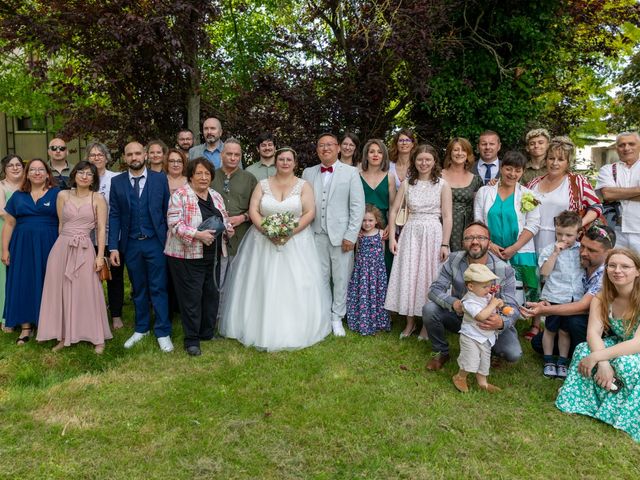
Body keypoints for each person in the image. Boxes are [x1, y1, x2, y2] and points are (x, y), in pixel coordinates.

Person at [219, 147, 331, 350]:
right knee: (260, 282)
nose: (285, 163)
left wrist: (289, 232)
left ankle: (296, 327)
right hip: (262, 241)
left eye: (289, 159)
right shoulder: (262, 185)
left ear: (295, 163)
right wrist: (268, 231)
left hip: (296, 242)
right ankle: (256, 326)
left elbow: (309, 212)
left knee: (296, 284)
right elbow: (254, 209)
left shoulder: (304, 186)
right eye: (281, 159)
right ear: (276, 162)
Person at [556, 247, 640, 443]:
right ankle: (585, 402)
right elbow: (593, 332)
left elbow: (637, 343)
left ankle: (621, 414)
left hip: (635, 346)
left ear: (637, 271)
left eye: (625, 266)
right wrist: (602, 362)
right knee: (583, 350)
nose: (617, 270)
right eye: (612, 265)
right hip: (620, 343)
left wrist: (598, 356)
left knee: (627, 364)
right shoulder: (602, 297)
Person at [424, 221, 522, 371]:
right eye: (469, 238)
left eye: (481, 238)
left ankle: (492, 351)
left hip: (489, 322)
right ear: (463, 243)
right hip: (462, 317)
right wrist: (454, 303)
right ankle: (441, 352)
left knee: (513, 353)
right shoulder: (454, 260)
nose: (475, 241)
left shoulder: (505, 270)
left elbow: (513, 308)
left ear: (489, 243)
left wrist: (501, 323)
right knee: (430, 309)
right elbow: (434, 290)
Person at [36, 161, 112, 353]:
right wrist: (60, 248)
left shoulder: (98, 198)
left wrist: (100, 256)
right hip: (62, 248)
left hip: (85, 248)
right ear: (75, 175)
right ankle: (63, 335)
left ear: (94, 178)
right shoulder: (62, 195)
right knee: (61, 291)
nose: (84, 176)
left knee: (88, 291)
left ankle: (97, 337)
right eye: (81, 172)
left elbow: (102, 229)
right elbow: (61, 224)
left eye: (89, 174)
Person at [165, 158, 234, 356]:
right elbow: (174, 223)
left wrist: (228, 229)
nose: (203, 177)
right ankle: (192, 340)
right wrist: (198, 235)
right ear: (191, 176)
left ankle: (207, 332)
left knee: (211, 295)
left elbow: (224, 218)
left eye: (207, 174)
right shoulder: (180, 195)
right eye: (199, 173)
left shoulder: (215, 196)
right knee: (191, 298)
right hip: (187, 256)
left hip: (213, 256)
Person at [108, 141, 173, 352]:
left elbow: (167, 211)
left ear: (145, 155)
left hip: (156, 242)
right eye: (130, 154)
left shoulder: (160, 179)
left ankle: (163, 331)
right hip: (132, 244)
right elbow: (115, 215)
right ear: (125, 158)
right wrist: (113, 247)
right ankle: (142, 328)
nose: (134, 157)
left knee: (159, 287)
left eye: (138, 153)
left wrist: (168, 239)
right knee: (138, 288)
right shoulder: (117, 182)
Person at [385, 144, 452, 340]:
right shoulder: (407, 183)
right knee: (409, 275)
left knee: (428, 277)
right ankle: (409, 323)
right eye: (420, 159)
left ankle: (426, 324)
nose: (423, 163)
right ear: (414, 161)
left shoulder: (442, 184)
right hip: (411, 233)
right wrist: (392, 238)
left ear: (434, 162)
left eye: (427, 160)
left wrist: (445, 243)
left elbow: (447, 216)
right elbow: (394, 210)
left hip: (433, 233)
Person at [302, 133, 365, 336]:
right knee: (318, 278)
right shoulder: (308, 172)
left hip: (341, 236)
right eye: (321, 145)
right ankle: (322, 315)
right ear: (317, 150)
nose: (325, 148)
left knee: (341, 278)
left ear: (338, 148)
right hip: (315, 234)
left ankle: (337, 317)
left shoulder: (351, 172)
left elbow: (357, 206)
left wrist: (351, 235)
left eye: (329, 145)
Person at [523, 223, 616, 357]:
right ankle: (572, 351)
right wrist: (548, 300)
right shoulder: (581, 262)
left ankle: (585, 356)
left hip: (603, 328)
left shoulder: (607, 273)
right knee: (538, 343)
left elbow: (582, 307)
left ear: (608, 253)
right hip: (578, 321)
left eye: (592, 250)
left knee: (575, 320)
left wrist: (544, 310)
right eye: (582, 246)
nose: (583, 253)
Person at [1, 159, 60, 344]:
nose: (36, 173)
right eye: (32, 170)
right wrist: (4, 250)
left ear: (47, 173)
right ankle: (26, 328)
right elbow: (9, 223)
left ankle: (48, 324)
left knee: (48, 282)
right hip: (22, 245)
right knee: (24, 281)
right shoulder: (18, 196)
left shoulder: (58, 194)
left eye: (41, 169)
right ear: (27, 174)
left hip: (50, 244)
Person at [474, 150, 541, 308]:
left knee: (526, 290)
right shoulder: (485, 192)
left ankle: (527, 322)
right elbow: (478, 222)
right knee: (491, 288)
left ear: (523, 172)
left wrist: (514, 248)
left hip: (521, 250)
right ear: (501, 168)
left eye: (518, 170)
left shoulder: (529, 195)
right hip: (491, 249)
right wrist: (489, 245)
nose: (512, 174)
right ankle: (491, 315)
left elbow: (533, 225)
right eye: (508, 169)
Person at [526, 136, 601, 253]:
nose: (555, 163)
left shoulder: (577, 181)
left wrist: (578, 225)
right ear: (545, 160)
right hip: (532, 242)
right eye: (551, 158)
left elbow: (596, 207)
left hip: (564, 245)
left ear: (568, 162)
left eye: (560, 159)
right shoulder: (533, 183)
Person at [536, 211, 584, 378]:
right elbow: (545, 272)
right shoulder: (549, 249)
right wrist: (555, 254)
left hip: (573, 299)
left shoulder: (581, 251)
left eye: (569, 235)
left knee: (565, 331)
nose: (563, 239)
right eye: (559, 234)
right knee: (550, 329)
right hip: (554, 296)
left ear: (578, 234)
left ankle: (562, 361)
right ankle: (549, 359)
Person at [452, 264, 505, 393]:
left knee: (484, 361)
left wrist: (498, 304)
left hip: (485, 336)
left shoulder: (484, 296)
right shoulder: (469, 301)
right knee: (470, 359)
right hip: (471, 336)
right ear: (471, 286)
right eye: (485, 287)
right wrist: (492, 305)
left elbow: (491, 306)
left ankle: (483, 383)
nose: (489, 289)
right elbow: (481, 316)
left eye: (489, 286)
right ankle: (460, 377)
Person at [346, 204, 390, 335]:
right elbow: (357, 251)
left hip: (377, 272)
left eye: (370, 220)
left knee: (377, 294)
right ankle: (361, 320)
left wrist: (377, 269)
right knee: (362, 293)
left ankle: (378, 321)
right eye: (364, 220)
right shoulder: (359, 236)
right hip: (362, 271)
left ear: (376, 221)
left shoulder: (381, 234)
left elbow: (382, 252)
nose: (367, 223)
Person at [596, 131, 640, 252]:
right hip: (615, 231)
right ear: (617, 148)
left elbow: (612, 194)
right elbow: (607, 194)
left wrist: (618, 194)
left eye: (631, 144)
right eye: (622, 145)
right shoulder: (608, 169)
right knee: (615, 267)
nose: (626, 148)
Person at [359, 138, 396, 271]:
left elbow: (393, 206)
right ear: (366, 155)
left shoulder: (390, 177)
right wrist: (356, 228)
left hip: (383, 226)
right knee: (363, 266)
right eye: (372, 152)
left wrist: (390, 226)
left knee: (384, 265)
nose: (375, 155)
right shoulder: (357, 176)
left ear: (384, 156)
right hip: (362, 225)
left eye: (379, 152)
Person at [441, 137, 483, 252]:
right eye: (456, 150)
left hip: (466, 226)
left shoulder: (476, 180)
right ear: (450, 153)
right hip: (441, 225)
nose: (459, 153)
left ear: (468, 154)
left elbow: (478, 208)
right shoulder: (438, 176)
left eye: (463, 150)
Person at [0, 154, 24, 333]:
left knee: (20, 274)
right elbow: (2, 212)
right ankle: (5, 317)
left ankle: (22, 314)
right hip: (5, 231)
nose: (15, 168)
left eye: (18, 165)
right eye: (11, 165)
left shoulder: (27, 185)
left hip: (23, 234)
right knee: (4, 275)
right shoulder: (1, 186)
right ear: (4, 169)